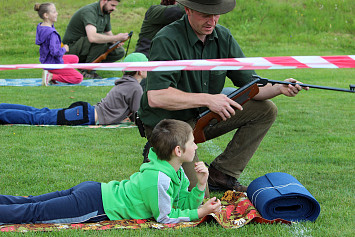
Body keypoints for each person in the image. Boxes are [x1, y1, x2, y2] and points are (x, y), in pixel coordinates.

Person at [138, 0, 309, 193]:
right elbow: (156, 97)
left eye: (216, 14)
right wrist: (209, 99)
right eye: (205, 14)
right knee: (198, 201)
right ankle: (158, 151)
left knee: (266, 110)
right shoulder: (167, 39)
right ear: (188, 10)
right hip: (169, 125)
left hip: (202, 118)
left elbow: (252, 86)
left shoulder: (223, 37)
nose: (212, 21)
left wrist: (279, 87)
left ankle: (222, 175)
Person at [0, 119, 221, 224]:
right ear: (179, 150)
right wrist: (200, 213)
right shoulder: (159, 179)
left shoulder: (176, 172)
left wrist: (200, 185)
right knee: (34, 213)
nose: (196, 146)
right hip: (94, 204)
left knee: (31, 203)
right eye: (193, 142)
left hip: (95, 190)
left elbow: (180, 204)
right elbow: (165, 216)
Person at [0, 53, 147, 126]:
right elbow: (139, 117)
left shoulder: (125, 83)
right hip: (85, 115)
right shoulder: (135, 87)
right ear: (140, 71)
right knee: (39, 117)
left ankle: (2, 108)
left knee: (41, 113)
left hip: (85, 111)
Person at [62, 0, 130, 79]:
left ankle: (86, 66)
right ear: (104, 1)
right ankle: (88, 71)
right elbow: (92, 38)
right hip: (70, 49)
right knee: (101, 41)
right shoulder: (89, 12)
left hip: (86, 47)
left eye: (115, 6)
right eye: (112, 5)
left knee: (119, 52)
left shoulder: (106, 12)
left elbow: (108, 33)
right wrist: (116, 37)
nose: (114, 8)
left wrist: (116, 42)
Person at [34, 3, 83, 86]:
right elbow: (55, 52)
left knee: (75, 59)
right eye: (54, 12)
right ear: (46, 15)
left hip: (46, 60)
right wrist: (64, 49)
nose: (57, 13)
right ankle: (52, 76)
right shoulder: (51, 33)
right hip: (53, 63)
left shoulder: (41, 27)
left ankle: (54, 72)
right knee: (78, 78)